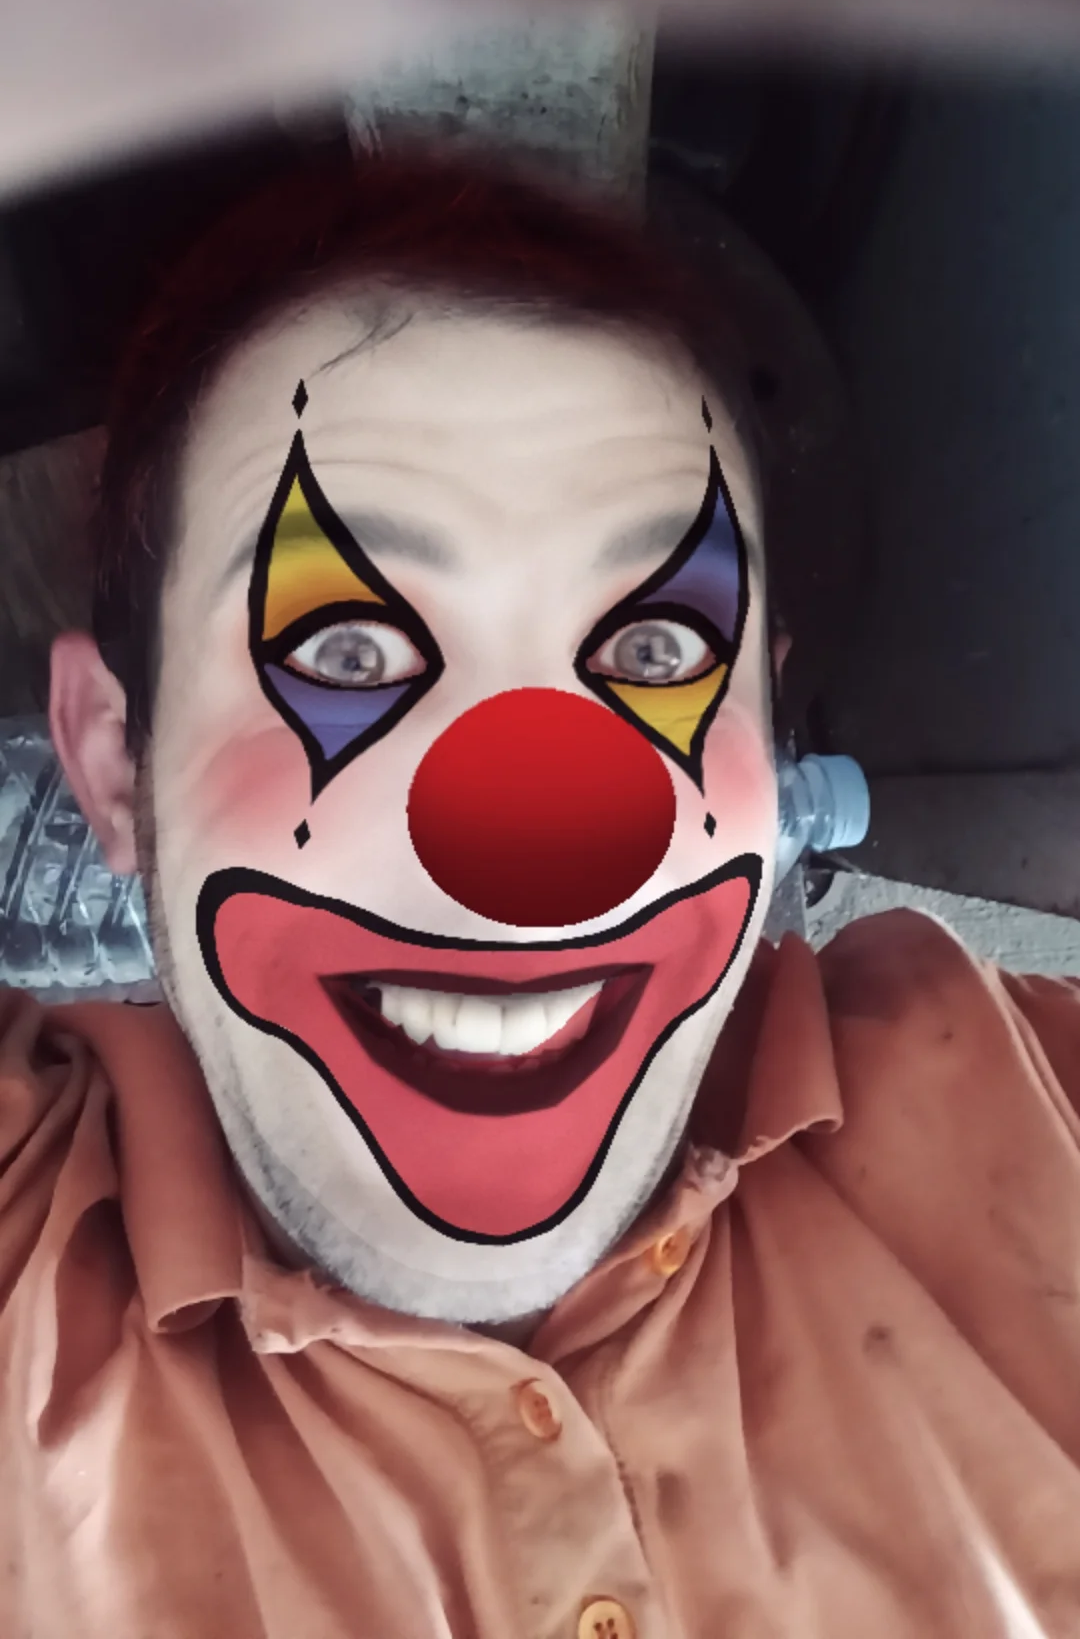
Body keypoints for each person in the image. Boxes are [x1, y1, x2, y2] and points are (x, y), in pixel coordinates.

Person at [4, 146, 1080, 1638]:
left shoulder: (1036, 1119)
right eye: (347, 649)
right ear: (113, 767)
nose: (540, 861)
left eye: (654, 653)